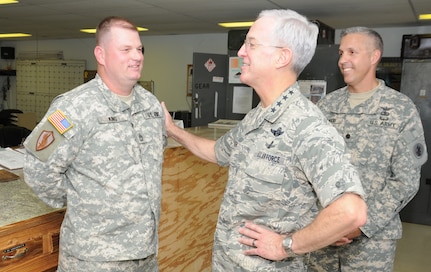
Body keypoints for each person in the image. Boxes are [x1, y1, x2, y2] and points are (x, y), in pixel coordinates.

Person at [161, 9, 367, 271]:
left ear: (282, 56)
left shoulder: (306, 126)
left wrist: (285, 246)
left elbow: (351, 211)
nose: (241, 53)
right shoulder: (258, 116)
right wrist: (173, 130)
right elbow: (218, 152)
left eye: (252, 44)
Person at [23, 16, 166, 271]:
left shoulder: (151, 106)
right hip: (94, 257)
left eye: (139, 49)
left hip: (144, 254)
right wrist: (82, 200)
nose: (137, 56)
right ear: (101, 54)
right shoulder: (73, 107)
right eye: (126, 49)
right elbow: (37, 167)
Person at [309, 27, 428, 271]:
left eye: (352, 52)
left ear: (374, 56)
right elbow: (309, 168)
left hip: (372, 241)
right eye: (341, 52)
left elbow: (405, 181)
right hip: (323, 235)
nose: (343, 60)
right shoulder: (327, 105)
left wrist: (359, 225)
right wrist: (319, 222)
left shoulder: (400, 109)